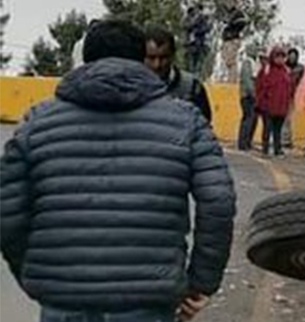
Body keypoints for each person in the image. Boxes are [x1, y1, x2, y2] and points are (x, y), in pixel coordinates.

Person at [0, 19, 235, 322]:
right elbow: (218, 200)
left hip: (65, 302)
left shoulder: (37, 122)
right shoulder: (186, 121)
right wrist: (199, 283)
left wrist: (36, 274)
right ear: (141, 59)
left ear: (84, 59)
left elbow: (6, 210)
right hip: (149, 300)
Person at [145, 27, 214, 122]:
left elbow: (204, 122)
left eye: (163, 58)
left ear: (172, 56)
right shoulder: (133, 86)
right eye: (151, 58)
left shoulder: (192, 87)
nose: (157, 64)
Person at [255, 46, 293, 157]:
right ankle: (265, 149)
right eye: (278, 56)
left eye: (282, 56)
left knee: (278, 130)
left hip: (281, 107)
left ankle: (277, 149)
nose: (280, 59)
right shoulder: (267, 70)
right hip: (268, 106)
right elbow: (260, 86)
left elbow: (289, 89)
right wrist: (261, 103)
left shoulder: (286, 71)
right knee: (267, 129)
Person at [218, 0, 249, 84]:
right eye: (227, 2)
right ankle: (227, 79)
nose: (229, 4)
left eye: (231, 2)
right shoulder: (227, 14)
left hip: (233, 38)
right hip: (226, 39)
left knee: (231, 61)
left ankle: (232, 81)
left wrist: (233, 24)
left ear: (235, 3)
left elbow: (244, 21)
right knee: (225, 60)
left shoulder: (238, 13)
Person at [237, 49, 262, 151]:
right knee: (248, 119)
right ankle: (243, 143)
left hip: (253, 95)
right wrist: (253, 94)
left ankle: (248, 142)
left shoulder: (255, 64)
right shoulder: (247, 63)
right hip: (247, 96)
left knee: (253, 120)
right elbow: (247, 81)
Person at [281, 48, 304, 149]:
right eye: (291, 55)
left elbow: (302, 81)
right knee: (282, 119)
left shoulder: (300, 68)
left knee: (288, 119)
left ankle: (287, 140)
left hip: (292, 95)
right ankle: (283, 140)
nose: (292, 58)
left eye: (294, 56)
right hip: (282, 95)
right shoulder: (282, 67)